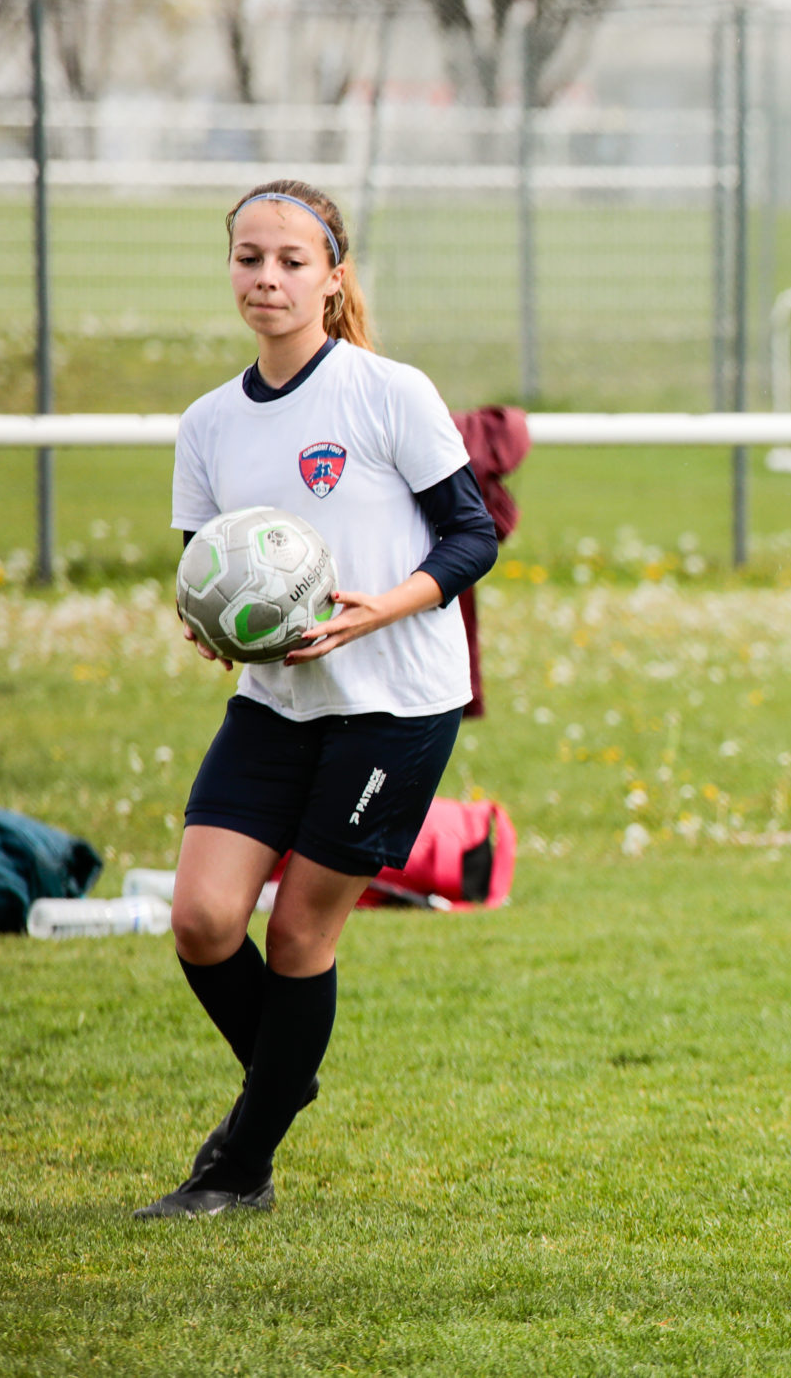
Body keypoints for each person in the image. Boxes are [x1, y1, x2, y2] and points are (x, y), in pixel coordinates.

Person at [138, 179, 498, 1219]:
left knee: (299, 937)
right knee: (203, 919)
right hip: (275, 702)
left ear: (333, 276)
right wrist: (213, 629)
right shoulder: (207, 425)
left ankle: (240, 1166)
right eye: (250, 258)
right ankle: (286, 1078)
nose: (268, 278)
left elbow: (473, 537)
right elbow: (209, 573)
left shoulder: (389, 393)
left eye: (292, 261)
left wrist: (374, 611)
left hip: (395, 701)